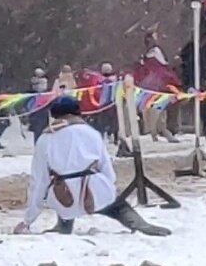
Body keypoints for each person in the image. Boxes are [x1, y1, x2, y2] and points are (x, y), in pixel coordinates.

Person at [12, 96, 170, 237]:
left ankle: (64, 225)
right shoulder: (91, 132)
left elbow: (39, 180)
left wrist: (28, 220)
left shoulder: (46, 138)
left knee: (63, 190)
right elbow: (106, 167)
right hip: (96, 191)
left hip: (65, 197)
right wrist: (109, 188)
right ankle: (139, 224)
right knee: (117, 205)